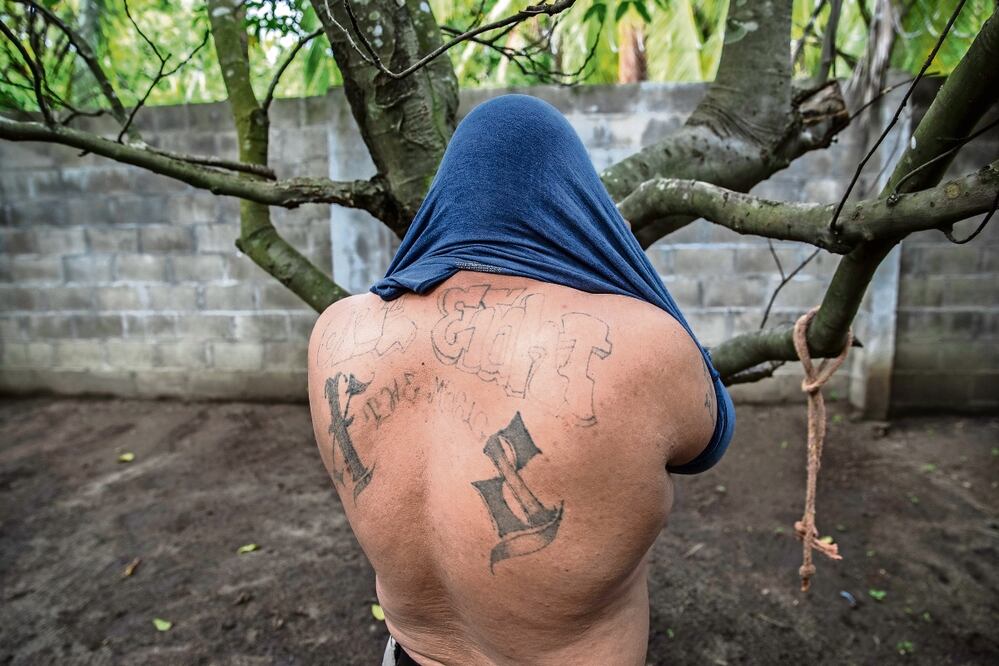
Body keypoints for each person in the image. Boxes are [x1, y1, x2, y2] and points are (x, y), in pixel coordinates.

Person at [307, 94, 735, 666]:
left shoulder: (337, 333)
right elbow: (709, 442)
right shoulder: (645, 345)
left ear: (444, 195)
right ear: (577, 199)